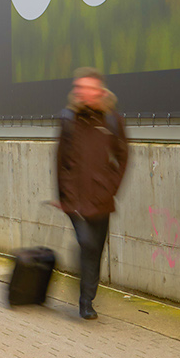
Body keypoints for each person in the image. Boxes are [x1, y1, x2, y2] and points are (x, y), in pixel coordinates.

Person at [56, 68, 128, 320]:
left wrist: (112, 188)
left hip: (101, 198)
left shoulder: (112, 120)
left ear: (99, 90)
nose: (81, 91)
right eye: (78, 87)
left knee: (96, 249)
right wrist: (62, 194)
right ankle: (83, 299)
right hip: (74, 198)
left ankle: (87, 300)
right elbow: (59, 159)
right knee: (86, 243)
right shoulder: (68, 119)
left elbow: (123, 156)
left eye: (87, 87)